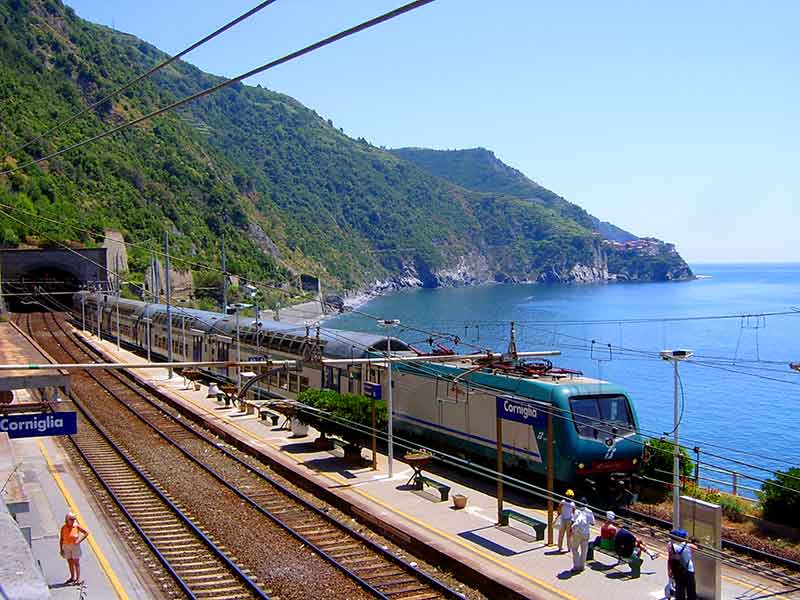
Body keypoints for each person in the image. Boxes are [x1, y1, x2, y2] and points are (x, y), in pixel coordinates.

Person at [59, 512, 89, 585]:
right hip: (66, 546)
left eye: (74, 519)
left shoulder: (76, 526)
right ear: (67, 520)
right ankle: (72, 577)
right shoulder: (63, 528)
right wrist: (61, 549)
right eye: (71, 519)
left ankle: (78, 579)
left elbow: (86, 533)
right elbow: (61, 539)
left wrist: (79, 540)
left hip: (75, 546)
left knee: (76, 562)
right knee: (70, 562)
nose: (73, 521)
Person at [667, 529, 697, 600]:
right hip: (689, 570)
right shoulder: (688, 545)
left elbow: (669, 560)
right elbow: (696, 548)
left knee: (679, 589)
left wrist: (669, 570)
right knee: (691, 590)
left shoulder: (670, 545)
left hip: (677, 570)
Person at [569, 499, 595, 572]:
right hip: (586, 533)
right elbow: (593, 523)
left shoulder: (577, 511)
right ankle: (582, 566)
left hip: (577, 533)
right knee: (584, 550)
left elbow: (573, 521)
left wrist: (570, 532)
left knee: (574, 549)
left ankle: (576, 566)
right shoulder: (589, 512)